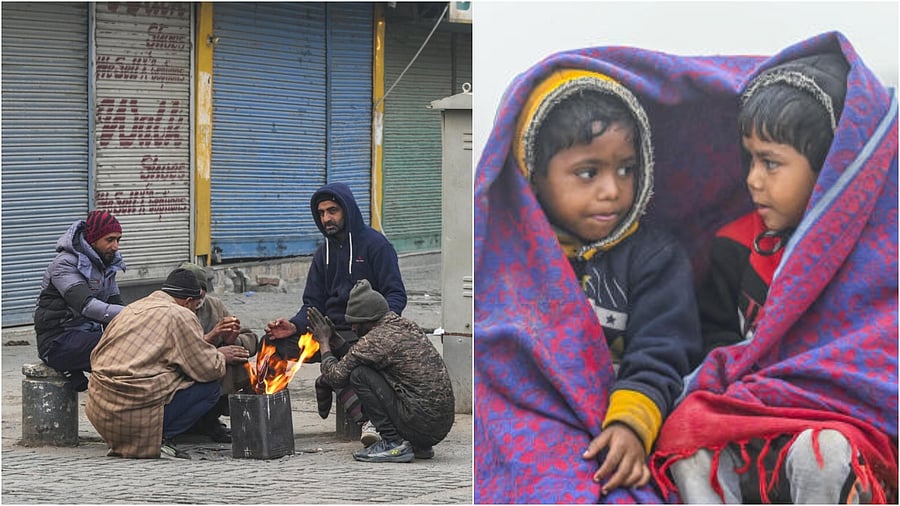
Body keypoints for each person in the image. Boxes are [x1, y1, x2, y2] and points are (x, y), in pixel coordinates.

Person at [651, 34, 897, 503]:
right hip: (751, 418)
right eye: (749, 158)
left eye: (771, 163)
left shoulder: (878, 260)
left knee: (821, 452)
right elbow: (717, 345)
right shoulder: (735, 248)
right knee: (687, 436)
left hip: (842, 426)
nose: (752, 179)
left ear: (832, 165)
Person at [475, 61, 706, 502]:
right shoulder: (507, 261)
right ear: (534, 176)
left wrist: (631, 425)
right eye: (588, 172)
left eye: (626, 169)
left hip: (624, 425)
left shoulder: (654, 259)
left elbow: (662, 350)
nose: (612, 191)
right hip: (538, 429)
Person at [264, 182, 407, 446]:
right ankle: (267, 422)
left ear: (348, 211)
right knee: (273, 345)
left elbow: (396, 295)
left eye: (333, 211)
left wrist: (380, 329)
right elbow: (312, 303)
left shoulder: (377, 246)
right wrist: (294, 326)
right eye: (321, 213)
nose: (327, 218)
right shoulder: (323, 253)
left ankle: (368, 419)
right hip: (324, 333)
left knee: (351, 361)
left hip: (362, 335)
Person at [85, 268, 250, 459]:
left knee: (171, 375)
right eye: (196, 306)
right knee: (209, 388)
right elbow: (208, 369)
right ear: (188, 302)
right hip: (132, 414)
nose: (196, 310)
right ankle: (162, 437)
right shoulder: (181, 314)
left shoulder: (133, 308)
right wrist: (221, 356)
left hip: (100, 411)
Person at [308, 279, 454, 463]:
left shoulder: (376, 339)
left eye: (354, 323)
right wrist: (337, 340)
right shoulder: (405, 326)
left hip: (419, 422)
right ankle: (418, 446)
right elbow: (360, 356)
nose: (352, 328)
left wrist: (324, 342)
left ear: (367, 321)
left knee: (359, 374)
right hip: (438, 427)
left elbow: (336, 376)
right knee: (366, 368)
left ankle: (392, 442)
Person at [33, 210, 126, 392]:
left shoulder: (107, 264)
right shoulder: (65, 264)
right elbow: (88, 306)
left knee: (133, 346)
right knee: (120, 350)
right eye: (110, 240)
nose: (116, 247)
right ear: (92, 239)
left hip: (83, 336)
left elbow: (116, 305)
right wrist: (137, 313)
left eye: (118, 240)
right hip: (56, 341)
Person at [179, 262, 259, 443]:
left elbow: (251, 340)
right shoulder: (174, 310)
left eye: (202, 292)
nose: (198, 299)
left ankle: (216, 420)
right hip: (185, 372)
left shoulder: (215, 306)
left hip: (212, 369)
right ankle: (196, 421)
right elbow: (181, 352)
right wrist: (215, 342)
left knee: (242, 366)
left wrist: (233, 340)